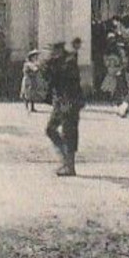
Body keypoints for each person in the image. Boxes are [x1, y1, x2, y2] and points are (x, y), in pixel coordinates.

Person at [43, 41, 85, 177]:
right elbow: (49, 78)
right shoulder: (57, 62)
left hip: (70, 102)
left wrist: (68, 102)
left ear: (59, 50)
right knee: (50, 129)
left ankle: (70, 166)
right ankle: (65, 159)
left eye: (53, 50)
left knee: (69, 133)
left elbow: (69, 82)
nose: (51, 53)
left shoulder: (68, 62)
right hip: (60, 102)